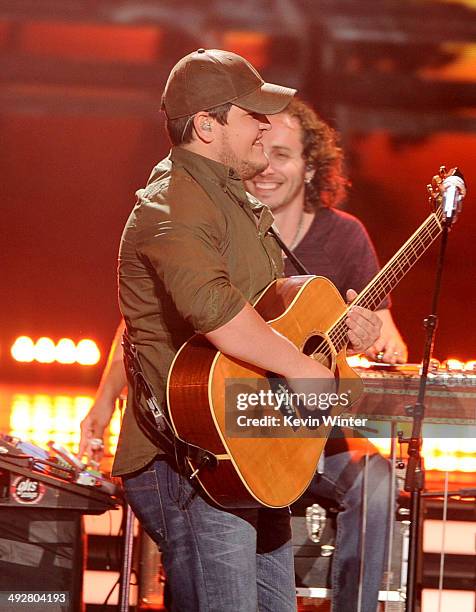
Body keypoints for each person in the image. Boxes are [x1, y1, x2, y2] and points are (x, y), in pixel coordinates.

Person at [79, 50, 382, 612]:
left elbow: (267, 313)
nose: (266, 125)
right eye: (252, 114)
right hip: (192, 460)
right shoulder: (173, 203)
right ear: (206, 125)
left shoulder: (230, 198)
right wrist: (300, 368)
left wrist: (336, 332)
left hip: (249, 446)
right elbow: (214, 308)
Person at [245, 97, 407, 612]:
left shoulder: (344, 236)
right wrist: (100, 402)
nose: (267, 168)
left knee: (378, 479)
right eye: (257, 152)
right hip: (241, 427)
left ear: (310, 166)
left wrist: (367, 335)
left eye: (283, 154)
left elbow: (387, 338)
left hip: (323, 437)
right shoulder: (227, 231)